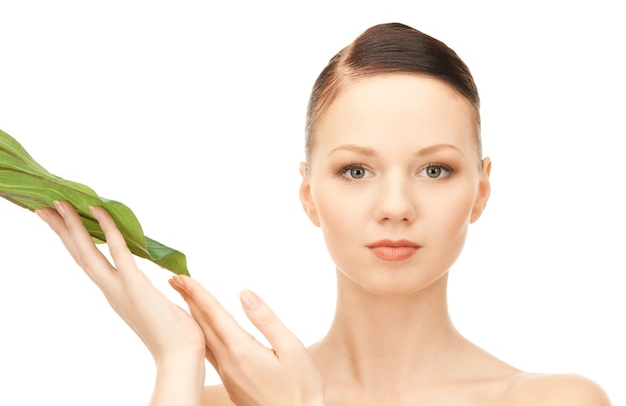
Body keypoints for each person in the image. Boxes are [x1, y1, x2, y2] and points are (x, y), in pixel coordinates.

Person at [35, 22, 611, 406]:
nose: (395, 208)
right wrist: (177, 356)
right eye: (355, 171)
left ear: (481, 190)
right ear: (308, 193)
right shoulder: (215, 398)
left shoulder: (553, 400)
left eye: (435, 170)